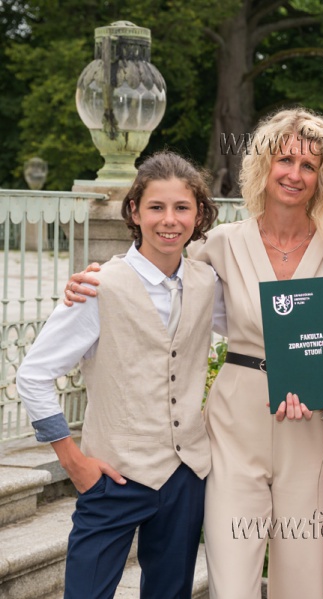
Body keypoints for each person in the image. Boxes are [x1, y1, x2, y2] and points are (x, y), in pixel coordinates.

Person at [63, 109, 323, 599]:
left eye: (309, 165)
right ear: (264, 165)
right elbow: (156, 270)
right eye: (285, 160)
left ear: (322, 177)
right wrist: (94, 277)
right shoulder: (220, 244)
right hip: (236, 424)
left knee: (305, 578)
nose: (295, 174)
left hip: (312, 421)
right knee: (231, 580)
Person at [17, 151, 221, 598]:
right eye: (156, 207)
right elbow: (33, 376)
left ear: (199, 214)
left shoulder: (207, 283)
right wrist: (73, 461)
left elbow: (256, 326)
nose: (169, 220)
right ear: (134, 211)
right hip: (112, 476)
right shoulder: (98, 286)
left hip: (186, 475)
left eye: (182, 207)